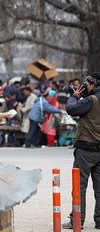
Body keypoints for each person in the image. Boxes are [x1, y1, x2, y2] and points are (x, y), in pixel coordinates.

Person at [62, 72, 100, 230]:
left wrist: (74, 96)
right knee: (99, 188)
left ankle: (77, 220)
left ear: (93, 84)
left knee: (79, 186)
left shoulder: (91, 100)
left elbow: (71, 109)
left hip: (86, 149)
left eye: (87, 84)